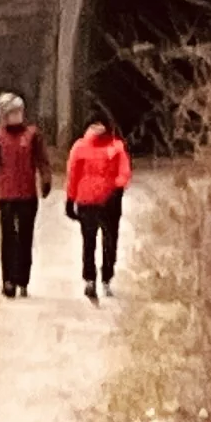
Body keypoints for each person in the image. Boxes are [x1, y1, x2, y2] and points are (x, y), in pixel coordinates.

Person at [0, 92, 48, 296]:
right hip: (6, 194)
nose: (17, 116)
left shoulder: (32, 135)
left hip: (27, 194)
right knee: (9, 238)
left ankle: (23, 279)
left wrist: (45, 179)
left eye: (19, 112)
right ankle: (8, 280)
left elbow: (42, 160)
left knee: (25, 238)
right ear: (3, 116)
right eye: (12, 113)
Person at [63, 118, 132, 298]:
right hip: (94, 202)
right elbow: (73, 174)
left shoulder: (114, 147)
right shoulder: (84, 147)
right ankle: (95, 279)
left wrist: (117, 189)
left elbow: (124, 172)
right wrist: (70, 198)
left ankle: (99, 277)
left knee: (100, 241)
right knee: (96, 241)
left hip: (102, 201)